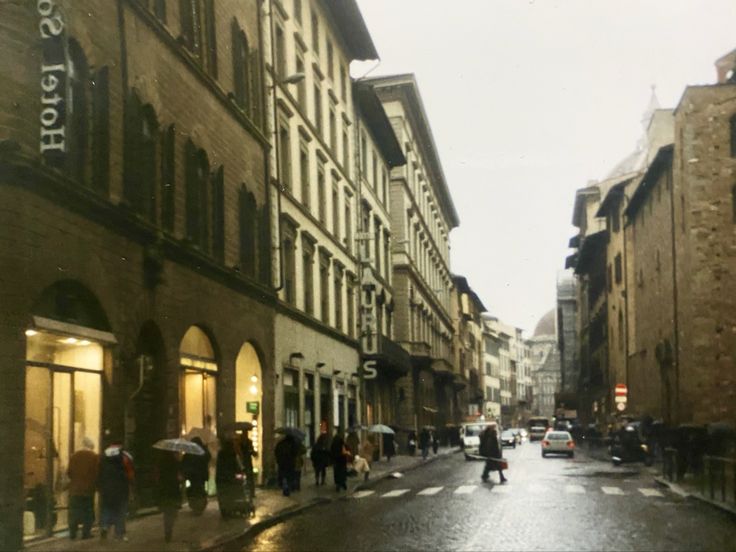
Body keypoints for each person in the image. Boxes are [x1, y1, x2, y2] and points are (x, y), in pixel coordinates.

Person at [98, 441, 135, 541]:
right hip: (121, 488)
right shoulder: (125, 456)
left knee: (107, 508)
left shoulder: (103, 456)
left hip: (106, 488)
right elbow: (130, 473)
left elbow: (99, 472)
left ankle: (105, 526)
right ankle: (119, 533)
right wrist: (131, 484)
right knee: (120, 511)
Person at [67, 437, 98, 540]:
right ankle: (86, 533)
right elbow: (97, 473)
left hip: (75, 489)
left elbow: (69, 472)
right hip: (88, 490)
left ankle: (72, 533)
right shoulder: (94, 457)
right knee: (87, 512)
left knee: (74, 512)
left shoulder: (74, 456)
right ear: (91, 446)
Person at [155, 450, 182, 543]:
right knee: (171, 511)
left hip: (164, 490)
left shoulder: (160, 462)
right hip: (173, 490)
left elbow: (157, 476)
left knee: (167, 512)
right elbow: (179, 476)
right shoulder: (175, 462)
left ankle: (167, 531)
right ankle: (169, 529)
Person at [182, 437, 210, 514]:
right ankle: (198, 505)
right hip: (200, 476)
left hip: (193, 476)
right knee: (199, 490)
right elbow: (208, 458)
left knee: (195, 490)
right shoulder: (202, 451)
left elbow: (184, 461)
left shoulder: (190, 452)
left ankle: (196, 505)